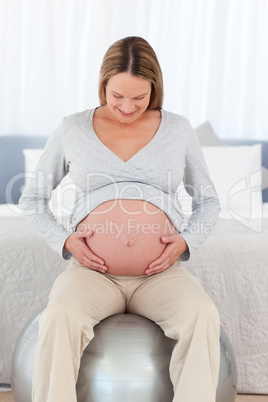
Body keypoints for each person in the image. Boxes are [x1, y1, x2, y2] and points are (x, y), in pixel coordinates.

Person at [20, 36, 221, 402]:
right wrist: (65, 241)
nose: (127, 107)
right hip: (92, 273)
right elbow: (32, 198)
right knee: (60, 313)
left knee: (202, 313)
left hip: (160, 274)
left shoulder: (177, 130)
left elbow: (208, 201)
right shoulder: (72, 129)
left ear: (154, 89)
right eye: (117, 96)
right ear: (102, 83)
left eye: (139, 98)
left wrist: (186, 241)